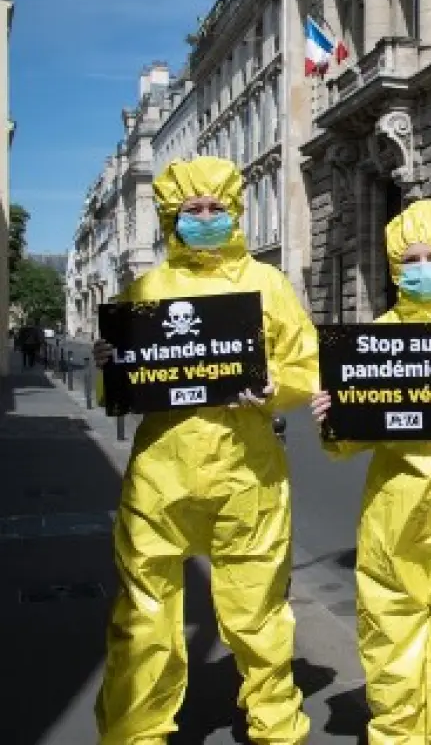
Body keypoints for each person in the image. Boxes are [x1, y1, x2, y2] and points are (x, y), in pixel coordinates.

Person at [92, 156, 318, 744]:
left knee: (257, 613)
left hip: (247, 473)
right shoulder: (147, 287)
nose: (205, 217)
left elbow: (306, 363)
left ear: (234, 210)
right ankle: (135, 732)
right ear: (171, 215)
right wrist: (107, 368)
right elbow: (123, 384)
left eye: (216, 208)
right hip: (160, 474)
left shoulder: (267, 283)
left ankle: (276, 729)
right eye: (192, 210)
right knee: (144, 617)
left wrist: (278, 387)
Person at [311, 200, 431, 745]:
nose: (422, 268)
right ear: (396, 269)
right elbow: (350, 441)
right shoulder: (373, 337)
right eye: (410, 259)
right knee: (391, 657)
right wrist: (335, 420)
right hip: (391, 518)